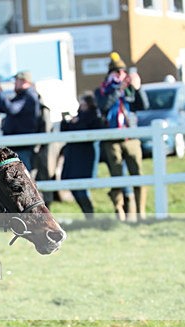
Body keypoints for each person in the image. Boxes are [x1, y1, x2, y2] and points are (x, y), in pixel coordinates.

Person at [95, 52, 149, 222]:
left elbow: (143, 105)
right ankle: (120, 212)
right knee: (117, 177)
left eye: (121, 72)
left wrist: (137, 88)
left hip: (131, 137)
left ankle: (140, 213)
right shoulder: (103, 90)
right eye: (116, 72)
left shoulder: (130, 89)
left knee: (137, 174)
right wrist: (117, 89)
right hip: (112, 139)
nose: (120, 75)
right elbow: (104, 106)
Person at [59, 92, 105, 218]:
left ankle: (90, 216)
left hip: (85, 157)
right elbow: (66, 131)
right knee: (72, 185)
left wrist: (77, 122)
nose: (82, 106)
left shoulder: (94, 116)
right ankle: (88, 215)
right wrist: (66, 120)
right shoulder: (78, 116)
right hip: (73, 157)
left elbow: (92, 129)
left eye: (84, 104)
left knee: (82, 188)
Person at [0, 71, 41, 171]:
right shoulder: (23, 95)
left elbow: (11, 109)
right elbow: (5, 108)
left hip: (22, 147)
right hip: (18, 146)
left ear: (24, 81)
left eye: (17, 81)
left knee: (22, 177)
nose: (15, 83)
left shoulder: (28, 95)